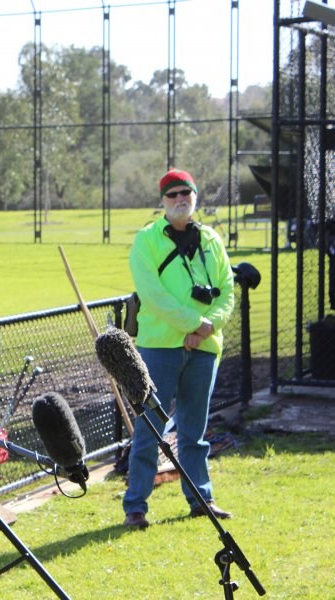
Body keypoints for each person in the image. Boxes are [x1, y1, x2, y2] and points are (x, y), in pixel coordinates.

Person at [123, 168, 236, 529]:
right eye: (172, 195)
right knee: (149, 429)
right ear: (162, 201)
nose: (179, 199)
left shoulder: (212, 241)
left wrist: (207, 328)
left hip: (204, 348)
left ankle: (201, 499)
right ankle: (136, 508)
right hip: (160, 348)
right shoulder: (147, 240)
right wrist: (194, 323)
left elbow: (228, 292)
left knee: (194, 432)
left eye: (185, 192)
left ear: (195, 196)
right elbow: (152, 296)